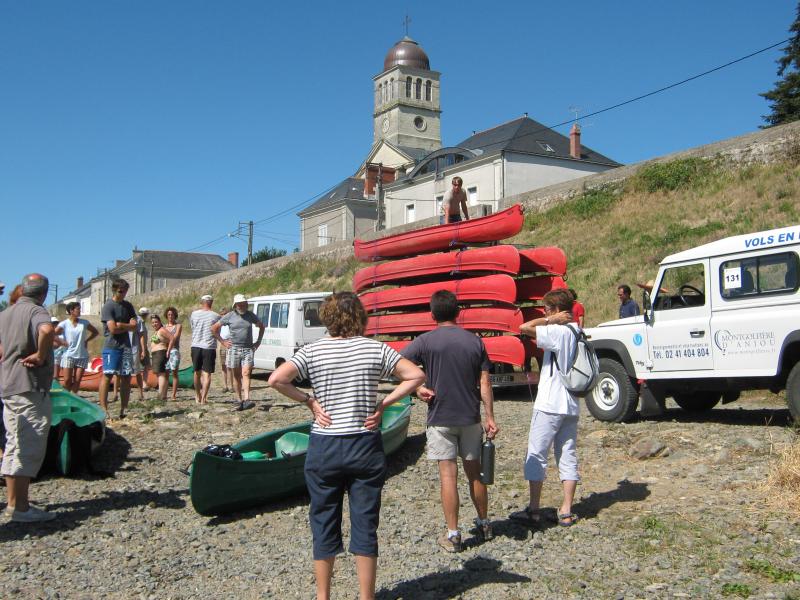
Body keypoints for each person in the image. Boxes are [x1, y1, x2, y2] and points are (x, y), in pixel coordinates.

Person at [268, 292, 425, 600]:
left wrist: (309, 402)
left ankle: (323, 596)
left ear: (327, 317)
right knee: (365, 524)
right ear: (359, 318)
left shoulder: (312, 350)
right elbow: (416, 375)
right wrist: (385, 403)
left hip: (325, 445)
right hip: (363, 444)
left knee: (323, 520)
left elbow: (276, 379)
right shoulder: (374, 348)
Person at [400, 290, 499, 552]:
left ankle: (454, 535)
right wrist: (490, 416)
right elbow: (485, 382)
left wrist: (416, 388)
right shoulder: (475, 342)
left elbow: (397, 364)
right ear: (458, 312)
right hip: (470, 417)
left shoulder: (424, 341)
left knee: (448, 476)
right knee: (474, 473)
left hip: (440, 416)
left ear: (432, 315)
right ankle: (484, 523)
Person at [511, 288, 580, 528]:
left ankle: (533, 509)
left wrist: (550, 320)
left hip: (550, 402)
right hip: (571, 403)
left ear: (555, 310)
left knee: (537, 454)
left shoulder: (558, 331)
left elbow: (524, 328)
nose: (544, 313)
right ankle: (567, 510)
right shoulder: (577, 331)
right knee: (568, 453)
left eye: (546, 309)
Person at [0, 273, 57, 522]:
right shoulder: (37, 311)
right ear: (43, 294)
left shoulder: (6, 313)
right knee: (28, 445)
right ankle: (21, 508)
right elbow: (46, 330)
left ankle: (13, 503)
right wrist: (40, 355)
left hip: (8, 385)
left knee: (13, 444)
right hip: (29, 386)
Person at [211, 294, 264, 411]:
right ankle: (238, 398)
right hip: (234, 348)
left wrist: (258, 341)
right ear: (235, 305)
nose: (241, 306)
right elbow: (213, 328)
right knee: (236, 375)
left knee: (246, 373)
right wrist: (223, 341)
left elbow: (262, 326)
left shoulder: (251, 315)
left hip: (248, 348)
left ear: (246, 304)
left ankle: (247, 399)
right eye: (239, 304)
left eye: (243, 303)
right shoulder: (229, 316)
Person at [98, 279, 138, 419]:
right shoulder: (108, 306)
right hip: (112, 347)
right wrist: (124, 326)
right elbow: (112, 329)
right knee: (108, 376)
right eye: (121, 291)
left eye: (125, 291)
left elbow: (135, 325)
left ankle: (124, 408)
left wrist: (122, 325)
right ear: (115, 290)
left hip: (126, 346)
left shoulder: (128, 306)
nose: (123, 294)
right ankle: (103, 408)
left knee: (126, 377)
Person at [55, 302, 99, 393]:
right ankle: (67, 397)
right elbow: (52, 334)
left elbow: (95, 332)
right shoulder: (64, 323)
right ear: (71, 311)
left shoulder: (84, 323)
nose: (80, 311)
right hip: (68, 355)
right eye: (78, 309)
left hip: (82, 355)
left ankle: (73, 399)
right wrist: (61, 342)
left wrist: (86, 340)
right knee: (67, 380)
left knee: (77, 381)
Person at [190, 294, 220, 404]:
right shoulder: (216, 316)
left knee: (196, 372)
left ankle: (197, 395)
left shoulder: (194, 314)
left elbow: (193, 327)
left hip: (196, 345)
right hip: (209, 346)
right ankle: (204, 398)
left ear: (202, 302)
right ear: (211, 303)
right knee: (207, 373)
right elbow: (217, 331)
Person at [148, 314, 174, 401]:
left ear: (160, 322)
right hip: (156, 354)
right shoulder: (157, 331)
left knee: (161, 374)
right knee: (160, 374)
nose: (154, 324)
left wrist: (169, 350)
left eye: (156, 322)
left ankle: (160, 394)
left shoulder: (162, 330)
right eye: (153, 322)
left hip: (161, 352)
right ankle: (163, 395)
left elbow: (172, 338)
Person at [130, 307, 150, 401]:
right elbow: (141, 336)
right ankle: (143, 385)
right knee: (140, 368)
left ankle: (144, 384)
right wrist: (143, 349)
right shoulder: (140, 321)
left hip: (139, 347)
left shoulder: (139, 321)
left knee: (144, 366)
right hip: (139, 347)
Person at [164, 307, 182, 401]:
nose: (170, 316)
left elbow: (175, 337)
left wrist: (168, 340)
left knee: (175, 372)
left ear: (175, 315)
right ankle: (165, 393)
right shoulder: (164, 327)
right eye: (169, 314)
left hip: (174, 350)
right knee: (166, 373)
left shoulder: (178, 326)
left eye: (172, 314)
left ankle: (174, 394)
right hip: (165, 350)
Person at [218, 307, 232, 393]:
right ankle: (225, 385)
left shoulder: (230, 323)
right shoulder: (219, 324)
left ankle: (231, 386)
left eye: (224, 314)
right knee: (223, 365)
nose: (223, 316)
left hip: (230, 343)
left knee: (229, 366)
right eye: (221, 314)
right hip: (222, 344)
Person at [52, 316, 67, 380]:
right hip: (53, 356)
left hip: (62, 356)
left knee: (58, 375)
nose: (55, 324)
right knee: (54, 374)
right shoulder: (49, 334)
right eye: (53, 323)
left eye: (56, 323)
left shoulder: (62, 334)